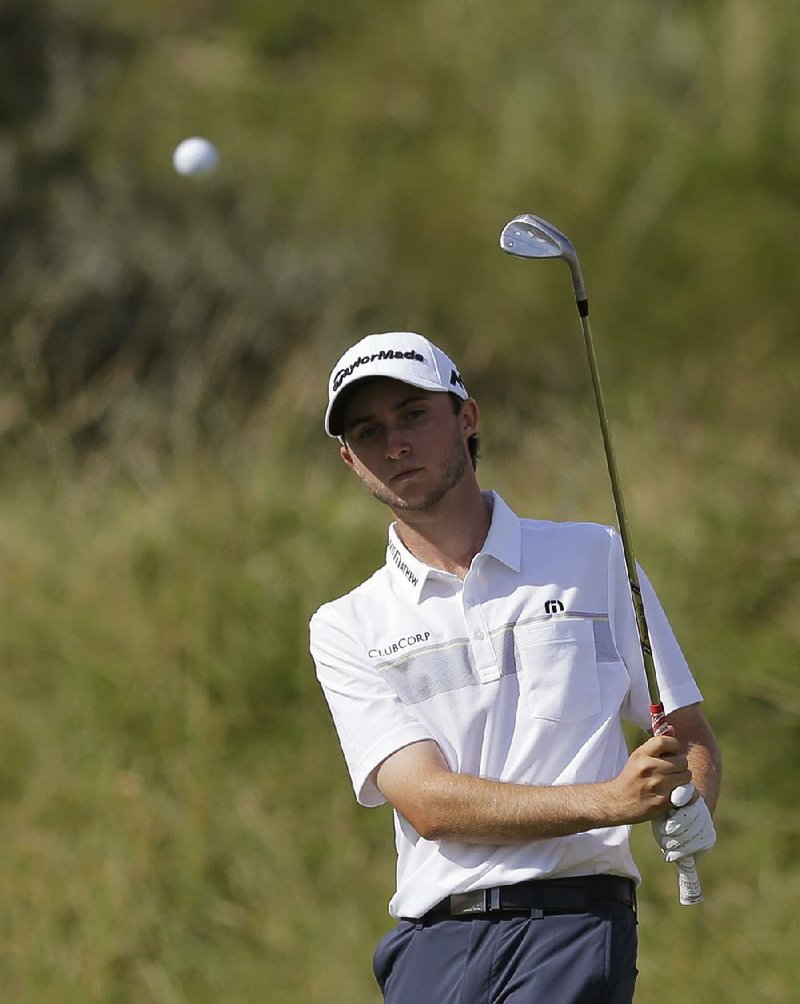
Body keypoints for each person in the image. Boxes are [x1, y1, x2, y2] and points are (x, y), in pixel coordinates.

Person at [309, 330, 721, 1004]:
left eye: (414, 415)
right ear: (349, 459)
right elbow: (428, 803)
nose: (395, 444)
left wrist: (693, 802)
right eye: (369, 430)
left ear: (466, 417)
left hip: (573, 924)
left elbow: (687, 732)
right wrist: (610, 802)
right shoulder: (347, 624)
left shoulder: (595, 558)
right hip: (429, 948)